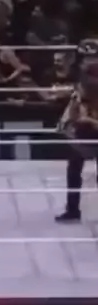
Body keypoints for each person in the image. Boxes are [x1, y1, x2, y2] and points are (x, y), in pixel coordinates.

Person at [56, 55, 98, 222]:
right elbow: (71, 115)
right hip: (83, 135)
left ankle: (72, 210)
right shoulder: (80, 93)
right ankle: (72, 209)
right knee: (73, 169)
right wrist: (69, 122)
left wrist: (90, 121)